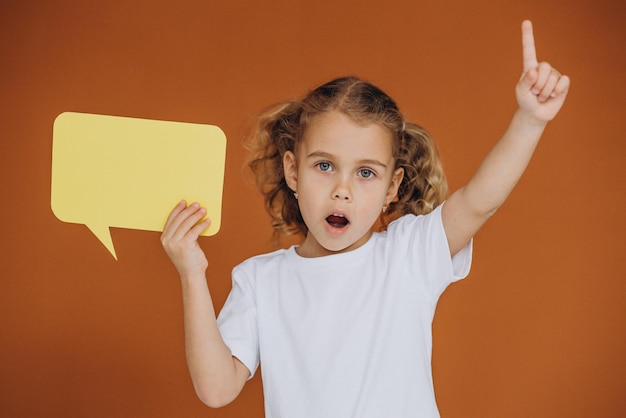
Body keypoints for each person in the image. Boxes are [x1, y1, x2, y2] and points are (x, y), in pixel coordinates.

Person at [161, 20, 569, 417]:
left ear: (392, 188)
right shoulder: (259, 280)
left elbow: (480, 201)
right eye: (324, 166)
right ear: (292, 171)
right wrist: (191, 273)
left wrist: (529, 120)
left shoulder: (410, 255)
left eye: (366, 173)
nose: (343, 189)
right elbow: (216, 390)